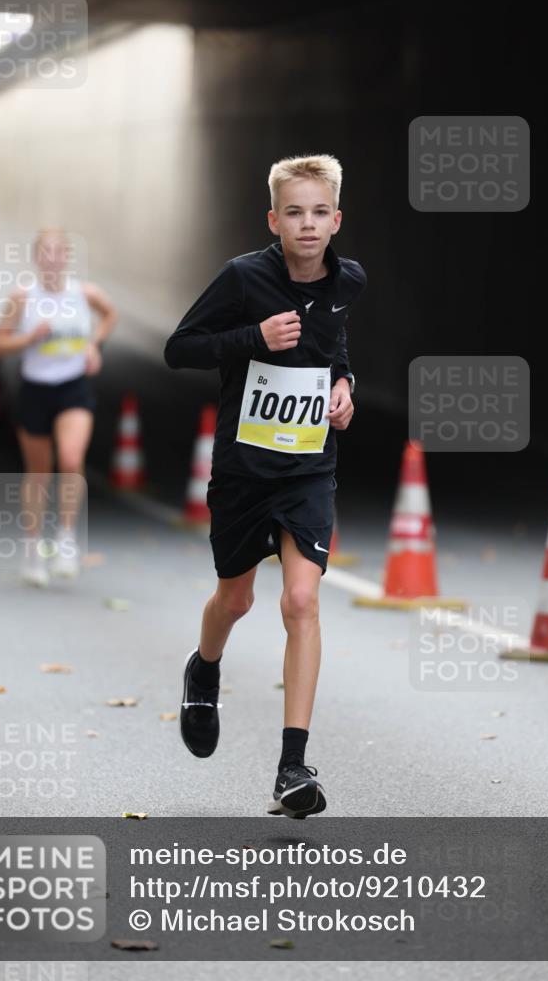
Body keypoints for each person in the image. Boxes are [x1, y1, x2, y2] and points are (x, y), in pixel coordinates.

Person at [164, 154, 366, 818]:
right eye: (293, 212)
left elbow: (333, 351)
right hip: (244, 470)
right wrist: (253, 337)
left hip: (308, 468)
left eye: (318, 212)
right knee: (238, 599)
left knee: (301, 601)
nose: (306, 225)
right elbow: (181, 347)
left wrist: (344, 388)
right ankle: (204, 670)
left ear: (335, 220)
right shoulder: (243, 278)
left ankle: (291, 766)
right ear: (273, 219)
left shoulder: (348, 282)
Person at [0, 228, 117, 586]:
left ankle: (65, 539)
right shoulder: (22, 297)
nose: (52, 257)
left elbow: (110, 316)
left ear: (67, 257)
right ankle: (33, 550)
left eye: (59, 251)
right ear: (36, 257)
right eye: (45, 252)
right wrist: (27, 339)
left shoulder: (84, 293)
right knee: (39, 472)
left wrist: (94, 346)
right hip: (35, 390)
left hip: (73, 389)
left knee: (72, 457)